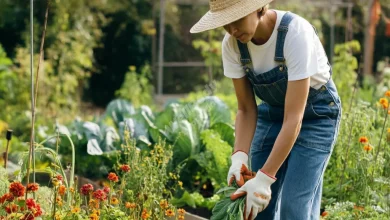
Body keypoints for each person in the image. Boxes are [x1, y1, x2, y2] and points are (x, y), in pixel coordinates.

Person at [190, 0, 342, 219]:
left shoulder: (295, 33)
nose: (232, 30)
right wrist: (239, 157)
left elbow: (294, 118)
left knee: (294, 207)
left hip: (315, 117)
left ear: (257, 8)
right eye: (225, 24)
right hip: (272, 115)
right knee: (256, 207)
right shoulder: (232, 44)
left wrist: (264, 178)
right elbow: (245, 109)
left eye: (237, 19)